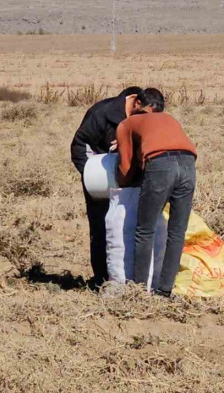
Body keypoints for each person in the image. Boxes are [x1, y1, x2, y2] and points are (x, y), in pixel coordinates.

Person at [116, 88, 197, 297]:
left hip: (161, 165)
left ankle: (139, 291)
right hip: (189, 164)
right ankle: (165, 290)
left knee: (145, 230)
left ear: (137, 105)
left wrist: (122, 181)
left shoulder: (127, 123)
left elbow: (125, 169)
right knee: (177, 232)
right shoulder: (169, 118)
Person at [71, 86, 143, 288]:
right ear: (135, 101)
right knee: (101, 228)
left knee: (133, 227)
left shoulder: (145, 115)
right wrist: (93, 172)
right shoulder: (101, 112)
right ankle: (102, 280)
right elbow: (79, 145)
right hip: (100, 181)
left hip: (132, 181)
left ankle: (132, 278)